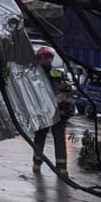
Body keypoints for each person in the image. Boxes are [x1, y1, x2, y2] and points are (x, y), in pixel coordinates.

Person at [32, 47, 74, 177]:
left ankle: (62, 167)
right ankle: (37, 163)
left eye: (49, 57)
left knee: (59, 139)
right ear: (39, 59)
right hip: (42, 113)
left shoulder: (58, 74)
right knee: (39, 138)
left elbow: (68, 89)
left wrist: (63, 98)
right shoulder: (34, 75)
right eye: (44, 57)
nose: (47, 60)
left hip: (58, 112)